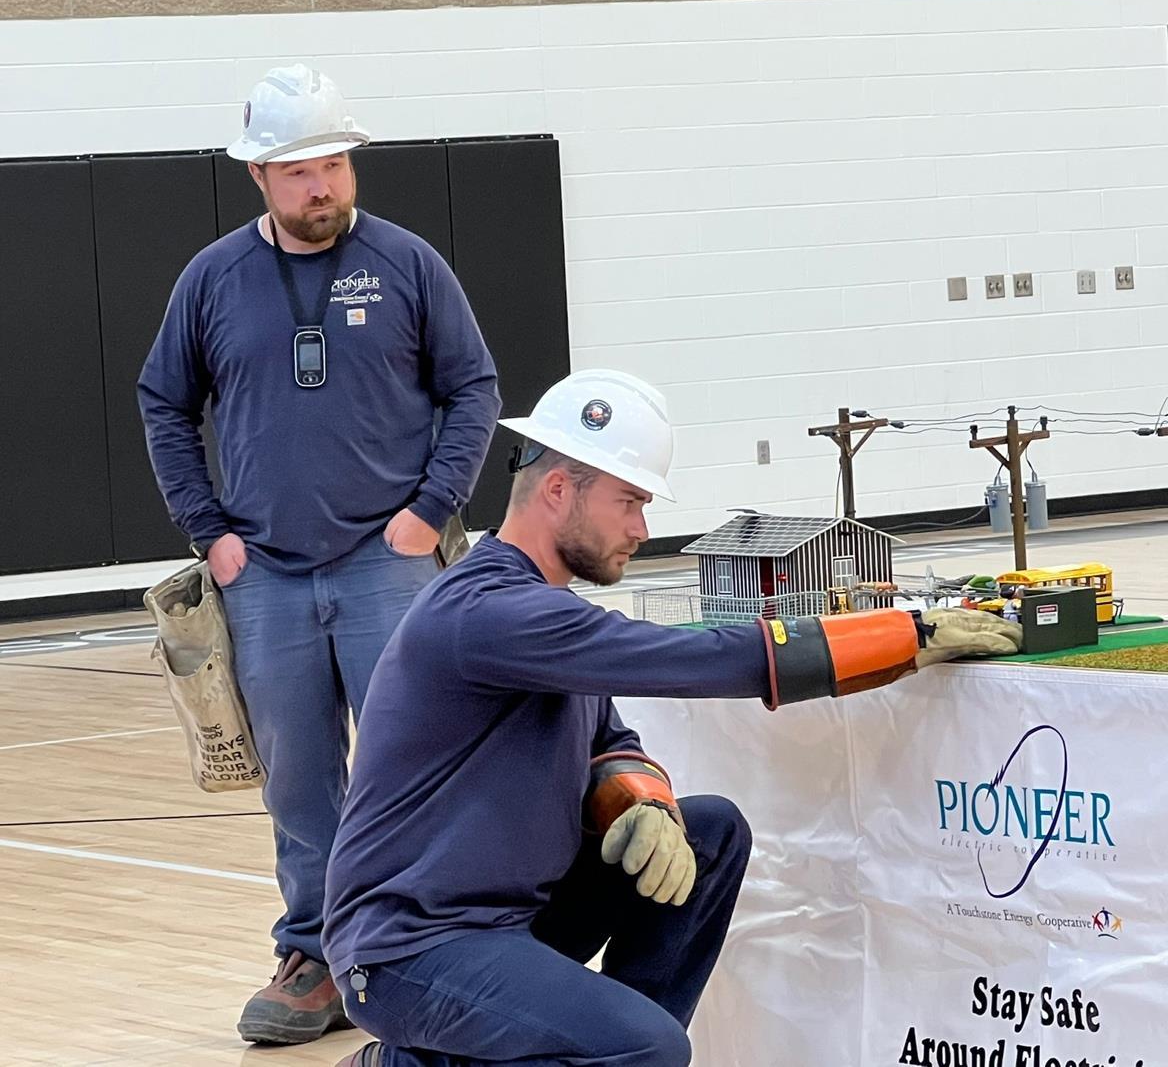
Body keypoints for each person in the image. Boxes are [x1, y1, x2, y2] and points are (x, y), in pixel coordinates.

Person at [320, 369, 1020, 1067]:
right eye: (629, 502)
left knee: (708, 833)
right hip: (409, 949)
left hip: (509, 923)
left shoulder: (540, 613)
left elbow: (610, 742)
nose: (641, 529)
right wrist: (904, 636)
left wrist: (644, 802)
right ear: (558, 489)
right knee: (648, 1048)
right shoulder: (488, 611)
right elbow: (698, 658)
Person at [137, 63, 501, 1045]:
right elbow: (164, 402)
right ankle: (316, 954)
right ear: (258, 175)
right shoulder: (212, 279)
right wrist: (210, 533)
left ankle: (428, 950)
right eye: (298, 170)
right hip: (265, 576)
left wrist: (430, 511)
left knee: (416, 763)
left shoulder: (410, 264)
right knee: (298, 782)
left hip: (390, 564)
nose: (321, 186)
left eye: (333, 164)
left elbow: (474, 388)